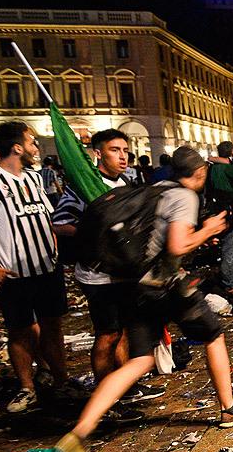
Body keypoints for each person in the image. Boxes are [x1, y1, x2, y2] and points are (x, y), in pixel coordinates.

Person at [55, 146, 233, 452]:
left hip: (134, 286)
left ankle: (79, 432)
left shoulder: (155, 189)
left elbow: (159, 235)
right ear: (199, 174)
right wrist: (207, 231)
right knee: (214, 335)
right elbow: (176, 245)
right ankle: (229, 410)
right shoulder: (185, 196)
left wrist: (195, 235)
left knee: (139, 360)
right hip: (164, 286)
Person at [51, 129, 163, 403]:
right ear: (98, 153)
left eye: (125, 150)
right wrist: (94, 233)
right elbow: (59, 222)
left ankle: (124, 386)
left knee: (123, 331)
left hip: (123, 273)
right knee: (107, 334)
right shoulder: (84, 185)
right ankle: (104, 395)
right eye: (115, 150)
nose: (123, 156)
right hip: (96, 276)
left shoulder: (124, 182)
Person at [0, 121, 75, 412]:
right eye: (31, 142)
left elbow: (47, 217)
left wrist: (55, 249)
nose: (35, 148)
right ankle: (26, 388)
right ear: (17, 147)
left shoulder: (34, 178)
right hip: (14, 271)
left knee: (53, 327)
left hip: (47, 267)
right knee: (19, 331)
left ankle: (61, 382)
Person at [205, 141, 233, 293]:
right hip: (230, 212)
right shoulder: (229, 168)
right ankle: (229, 284)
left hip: (216, 211)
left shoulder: (212, 169)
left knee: (229, 248)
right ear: (232, 153)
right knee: (229, 249)